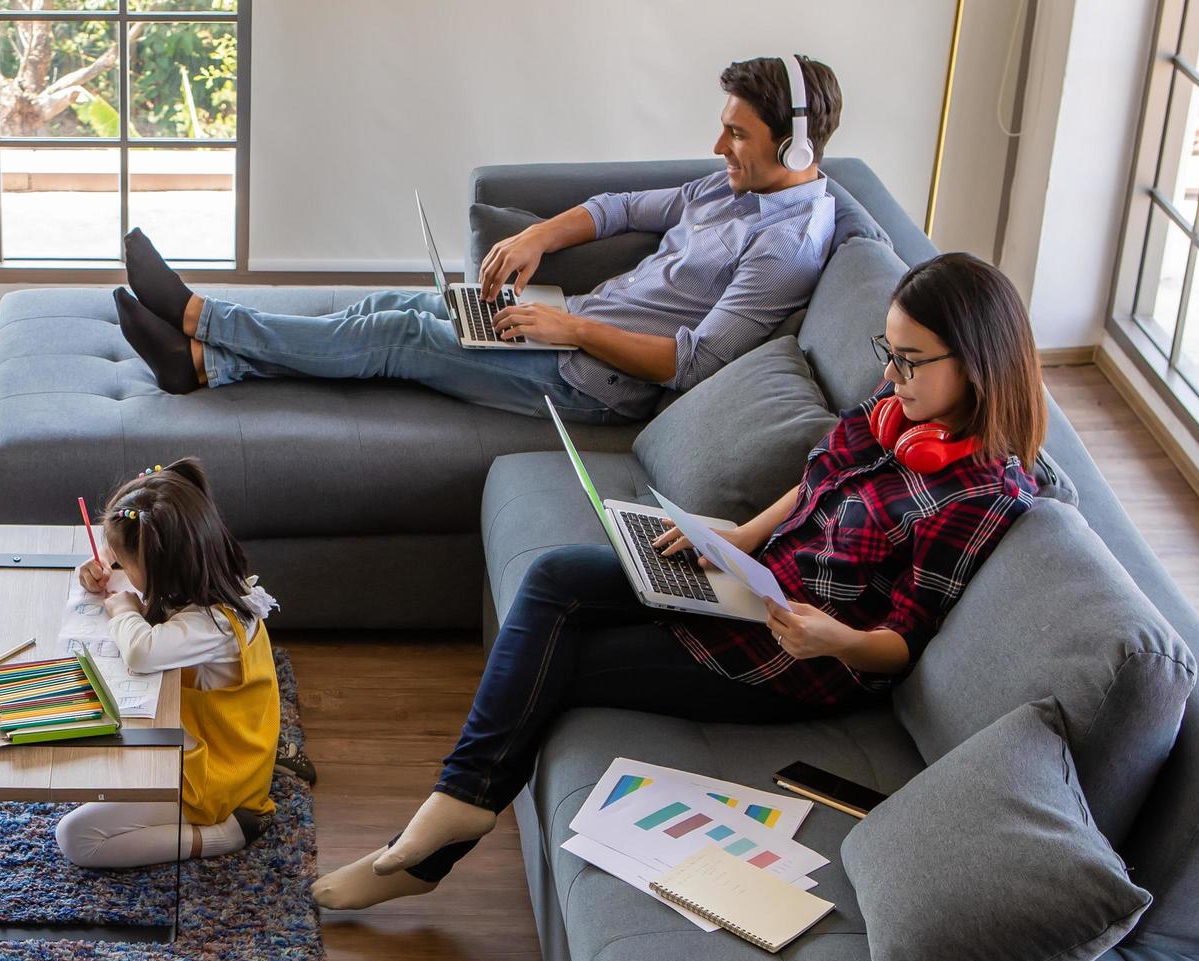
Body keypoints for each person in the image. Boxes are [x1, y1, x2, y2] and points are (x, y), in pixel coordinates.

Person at [309, 252, 1048, 909]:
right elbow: (816, 482)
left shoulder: (979, 499)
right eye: (889, 350)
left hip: (791, 658)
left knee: (563, 664)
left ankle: (440, 832)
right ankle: (453, 808)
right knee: (555, 575)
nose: (890, 373)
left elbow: (903, 642)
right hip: (750, 582)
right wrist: (737, 536)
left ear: (977, 364)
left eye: (911, 360)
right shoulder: (896, 415)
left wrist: (833, 639)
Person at [111, 55, 844, 425]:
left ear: (798, 147)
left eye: (738, 132)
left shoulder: (787, 245)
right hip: (568, 333)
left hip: (594, 384)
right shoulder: (735, 182)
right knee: (385, 311)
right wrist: (536, 239)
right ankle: (206, 367)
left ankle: (201, 319)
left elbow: (692, 364)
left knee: (398, 333)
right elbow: (622, 209)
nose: (718, 144)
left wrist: (570, 328)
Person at [53, 458, 288, 868]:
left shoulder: (213, 625)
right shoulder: (201, 574)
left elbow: (142, 651)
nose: (117, 570)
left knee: (77, 838)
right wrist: (98, 569)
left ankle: (220, 835)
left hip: (216, 775)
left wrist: (124, 609)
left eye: (124, 565)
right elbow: (123, 556)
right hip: (207, 738)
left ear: (161, 566)